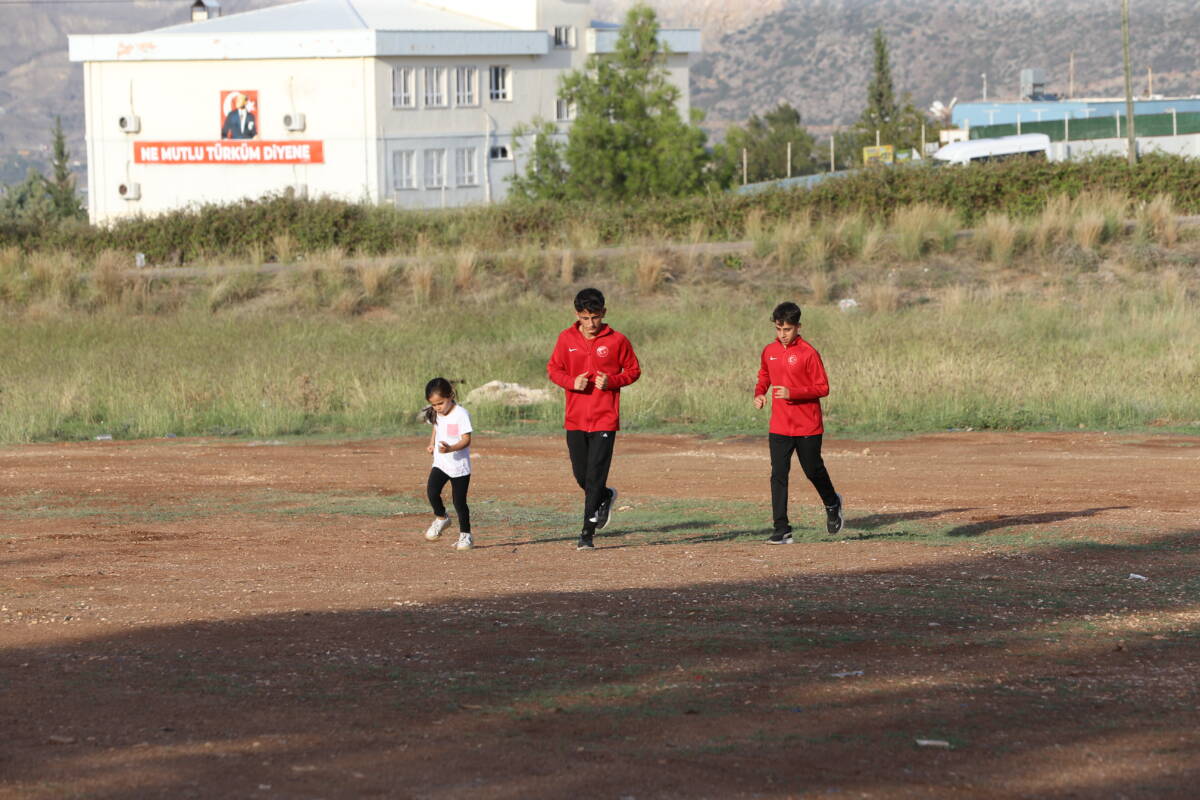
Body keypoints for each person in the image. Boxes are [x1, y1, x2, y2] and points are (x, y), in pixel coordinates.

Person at [547, 288, 641, 550]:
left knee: (595, 476)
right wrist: (570, 382)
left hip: (605, 419)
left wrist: (613, 381)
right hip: (575, 419)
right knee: (582, 476)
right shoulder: (566, 339)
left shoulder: (618, 340)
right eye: (585, 318)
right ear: (577, 315)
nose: (590, 324)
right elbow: (554, 369)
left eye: (595, 317)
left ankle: (586, 534)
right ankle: (606, 495)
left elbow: (633, 371)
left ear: (604, 313)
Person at [754, 301, 844, 543]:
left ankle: (832, 502)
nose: (782, 335)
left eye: (787, 330)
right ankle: (781, 530)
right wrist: (760, 393)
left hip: (807, 426)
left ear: (798, 327)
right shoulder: (769, 351)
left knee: (812, 470)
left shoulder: (808, 353)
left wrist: (793, 393)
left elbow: (823, 387)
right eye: (778, 329)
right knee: (778, 475)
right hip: (780, 426)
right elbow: (764, 374)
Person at [422, 377, 474, 550]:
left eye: (440, 403)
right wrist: (432, 443)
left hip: (459, 467)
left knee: (459, 502)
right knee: (432, 491)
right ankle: (442, 518)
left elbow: (466, 440)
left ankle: (466, 536)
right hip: (441, 463)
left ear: (450, 395)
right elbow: (436, 427)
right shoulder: (437, 413)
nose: (437, 408)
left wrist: (451, 448)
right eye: (434, 405)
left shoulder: (461, 414)